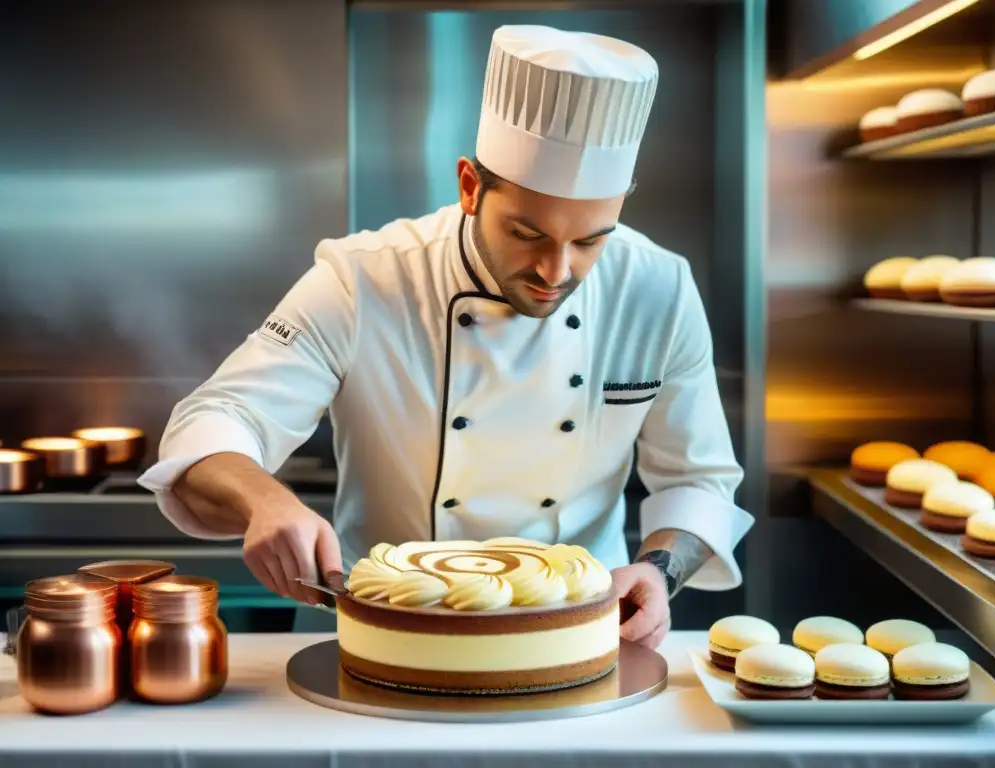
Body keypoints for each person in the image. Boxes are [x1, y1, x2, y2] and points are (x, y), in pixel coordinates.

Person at [138, 24, 753, 649]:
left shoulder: (657, 288)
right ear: (468, 186)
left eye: (591, 239)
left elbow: (698, 480)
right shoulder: (364, 278)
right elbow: (215, 418)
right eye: (528, 233)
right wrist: (263, 500)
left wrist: (656, 572)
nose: (556, 272)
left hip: (570, 639)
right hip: (371, 634)